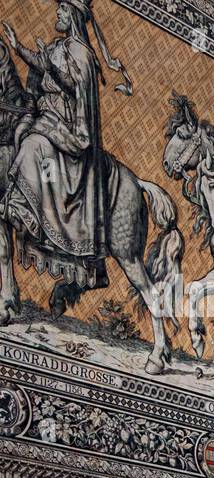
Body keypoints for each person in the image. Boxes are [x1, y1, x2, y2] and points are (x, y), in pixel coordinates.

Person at [2, 0, 133, 295]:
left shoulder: (82, 55)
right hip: (48, 117)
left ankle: (26, 207)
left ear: (73, 15)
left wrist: (51, 67)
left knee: (34, 145)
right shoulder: (60, 47)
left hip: (68, 130)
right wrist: (18, 47)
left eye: (62, 10)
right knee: (21, 131)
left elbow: (77, 90)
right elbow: (41, 61)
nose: (57, 14)